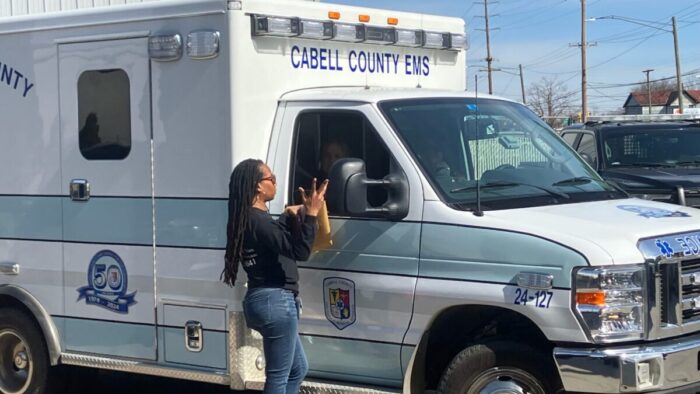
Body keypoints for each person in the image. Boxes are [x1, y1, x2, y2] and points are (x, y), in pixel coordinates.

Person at [221, 159, 328, 394]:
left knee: (297, 369)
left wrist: (287, 218)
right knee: (278, 377)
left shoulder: (251, 219)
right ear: (258, 186)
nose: (275, 183)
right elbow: (299, 251)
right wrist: (310, 215)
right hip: (276, 301)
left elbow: (272, 242)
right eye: (271, 179)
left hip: (264, 299)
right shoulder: (258, 220)